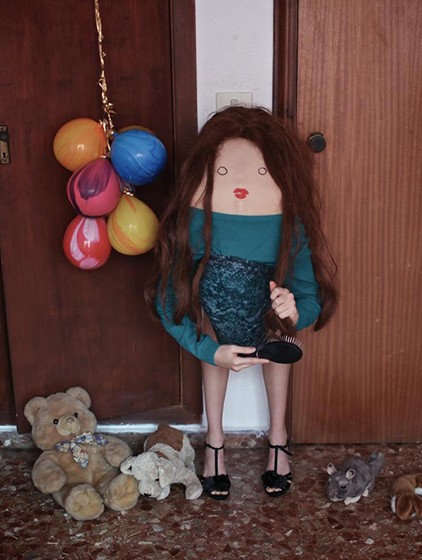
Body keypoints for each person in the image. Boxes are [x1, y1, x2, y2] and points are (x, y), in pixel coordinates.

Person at [145, 106, 337, 500]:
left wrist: (294, 311)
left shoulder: (290, 224)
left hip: (268, 324)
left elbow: (308, 293)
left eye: (263, 173)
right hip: (212, 321)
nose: (240, 186)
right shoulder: (194, 221)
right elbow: (169, 297)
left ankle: (278, 437)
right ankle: (214, 440)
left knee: (279, 338)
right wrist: (208, 351)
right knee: (208, 322)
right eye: (222, 172)